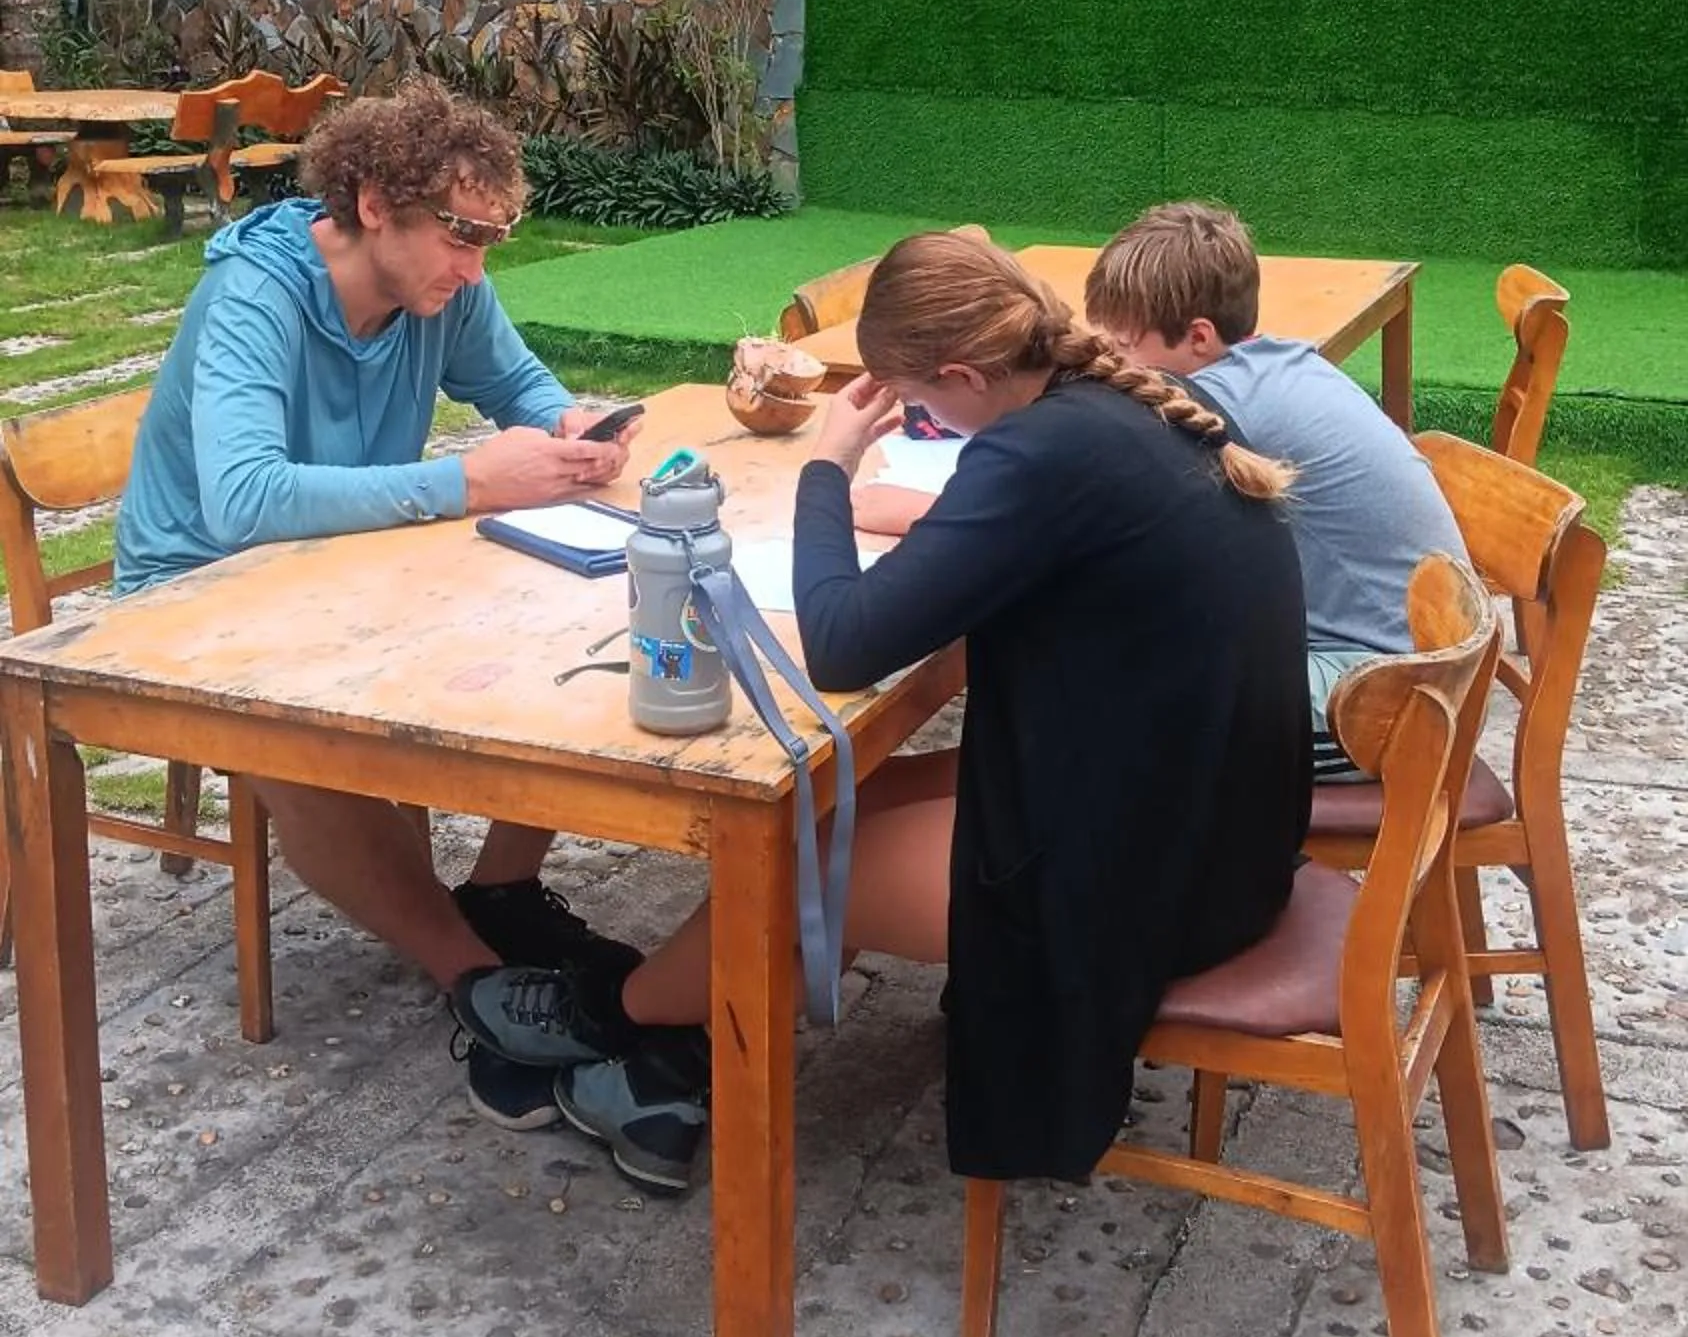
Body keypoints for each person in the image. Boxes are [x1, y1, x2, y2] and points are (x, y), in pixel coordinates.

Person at [454, 232, 1312, 1192]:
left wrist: (832, 464)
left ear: (959, 372)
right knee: (854, 790)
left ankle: (613, 1010)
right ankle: (694, 1048)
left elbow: (844, 641)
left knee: (800, 862)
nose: (919, 418)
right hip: (1231, 830)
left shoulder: (1039, 454)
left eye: (919, 401)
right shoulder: (1113, 410)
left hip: (1154, 893)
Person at [115, 77, 645, 1119]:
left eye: (489, 239)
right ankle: (478, 980)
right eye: (460, 237)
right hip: (191, 592)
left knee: (559, 611)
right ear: (370, 206)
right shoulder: (254, 297)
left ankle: (499, 888)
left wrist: (575, 430)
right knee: (289, 722)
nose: (474, 265)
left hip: (345, 565)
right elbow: (239, 500)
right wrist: (467, 483)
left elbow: (524, 393)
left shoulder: (440, 288)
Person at [1083, 200, 1468, 775]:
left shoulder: (1222, 402)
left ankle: (1181, 863)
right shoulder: (1275, 364)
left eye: (1121, 348)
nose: (1109, 363)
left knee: (1107, 717)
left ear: (1198, 338)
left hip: (1387, 703)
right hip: (1414, 668)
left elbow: (1088, 506)